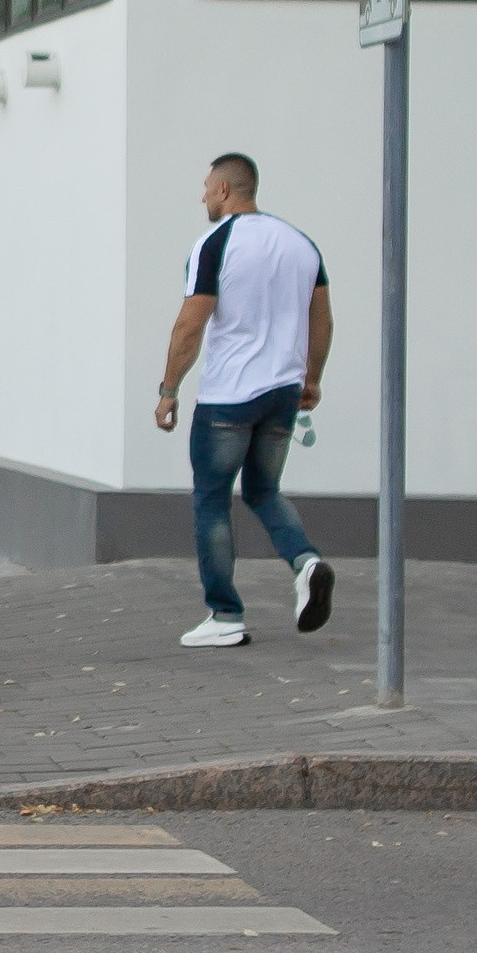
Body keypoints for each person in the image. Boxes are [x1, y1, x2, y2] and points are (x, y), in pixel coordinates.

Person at [154, 150, 335, 650]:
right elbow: (321, 319)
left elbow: (191, 323)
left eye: (208, 187)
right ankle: (307, 563)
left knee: (212, 501)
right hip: (281, 394)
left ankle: (225, 614)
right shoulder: (300, 244)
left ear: (227, 190)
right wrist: (312, 377)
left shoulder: (215, 243)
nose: (203, 196)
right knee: (263, 491)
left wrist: (169, 389)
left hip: (228, 399)